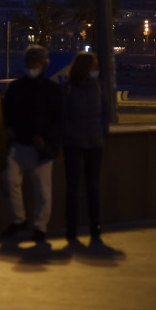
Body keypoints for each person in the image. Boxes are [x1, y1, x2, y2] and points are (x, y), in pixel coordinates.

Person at [2, 45, 65, 244]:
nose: (32, 65)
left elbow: (60, 119)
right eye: (30, 62)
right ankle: (21, 220)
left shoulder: (51, 90)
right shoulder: (17, 87)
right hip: (19, 143)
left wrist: (45, 138)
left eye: (35, 62)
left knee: (43, 191)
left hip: (39, 146)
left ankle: (39, 227)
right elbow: (6, 111)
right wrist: (9, 127)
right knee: (11, 182)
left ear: (44, 64)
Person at [61, 51, 110, 246]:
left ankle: (94, 227)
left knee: (92, 188)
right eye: (94, 65)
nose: (97, 69)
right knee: (74, 189)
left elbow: (105, 113)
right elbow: (62, 116)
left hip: (94, 144)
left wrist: (102, 131)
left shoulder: (99, 86)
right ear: (85, 68)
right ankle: (72, 229)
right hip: (74, 144)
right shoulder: (68, 88)